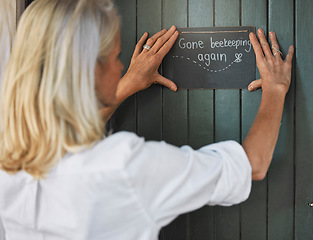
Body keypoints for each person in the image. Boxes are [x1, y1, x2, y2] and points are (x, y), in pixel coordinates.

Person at [0, 0, 294, 239]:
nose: (119, 69)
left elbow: (67, 135)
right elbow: (251, 165)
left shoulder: (9, 158)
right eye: (116, 57)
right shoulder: (123, 167)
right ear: (87, 71)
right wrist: (276, 88)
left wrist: (128, 83)